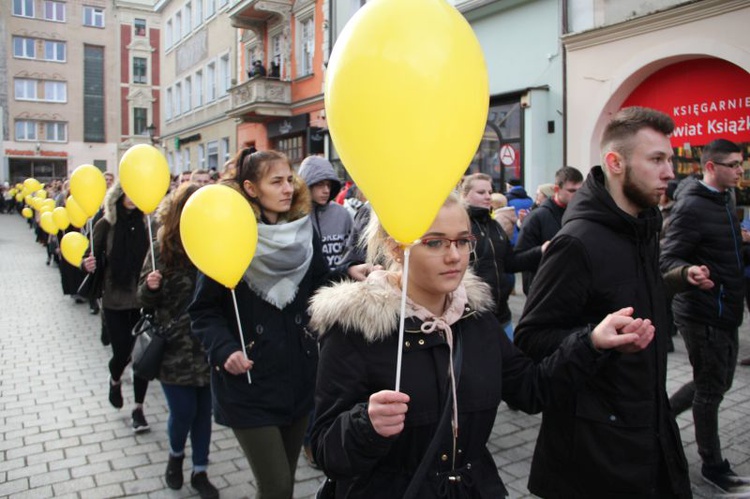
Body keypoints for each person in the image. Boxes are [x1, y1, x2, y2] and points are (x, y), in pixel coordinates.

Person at [309, 193, 655, 498]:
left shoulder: (475, 319)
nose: (455, 256)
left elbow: (531, 389)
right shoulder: (357, 328)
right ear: (395, 247)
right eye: (435, 242)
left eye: (462, 241)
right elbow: (325, 450)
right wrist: (365, 425)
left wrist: (591, 342)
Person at [513, 107, 706, 498]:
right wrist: (593, 340)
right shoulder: (577, 242)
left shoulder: (644, 227)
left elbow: (629, 295)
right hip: (593, 448)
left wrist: (679, 279)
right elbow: (530, 339)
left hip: (647, 424)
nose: (670, 171)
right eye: (656, 159)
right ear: (615, 163)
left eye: (669, 159)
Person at [189, 149, 330, 499]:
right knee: (277, 486)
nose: (288, 188)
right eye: (276, 181)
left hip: (298, 376)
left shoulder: (303, 230)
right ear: (251, 189)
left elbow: (321, 287)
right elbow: (203, 311)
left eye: (289, 179)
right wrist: (225, 350)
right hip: (249, 382)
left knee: (285, 478)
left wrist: (354, 275)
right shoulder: (229, 232)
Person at [660, 138, 750, 493]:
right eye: (733, 164)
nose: (740, 170)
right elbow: (668, 258)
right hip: (701, 313)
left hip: (726, 309)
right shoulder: (691, 206)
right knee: (711, 391)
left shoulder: (726, 199)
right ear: (711, 167)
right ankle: (713, 465)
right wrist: (688, 273)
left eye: (741, 163)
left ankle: (660, 417)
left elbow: (719, 246)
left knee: (714, 383)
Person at [137, 183, 219, 499]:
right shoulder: (162, 250)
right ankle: (175, 456)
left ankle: (200, 471)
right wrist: (151, 286)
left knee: (203, 414)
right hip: (174, 349)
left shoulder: (214, 246)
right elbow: (142, 297)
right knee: (183, 412)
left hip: (208, 347)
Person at [82, 181, 151, 433]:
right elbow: (88, 255)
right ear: (118, 195)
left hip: (144, 299)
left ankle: (138, 409)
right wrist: (86, 263)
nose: (132, 198)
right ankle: (114, 379)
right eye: (127, 193)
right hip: (115, 300)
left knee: (141, 357)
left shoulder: (148, 223)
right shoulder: (105, 224)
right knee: (121, 353)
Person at [460, 173, 542, 339]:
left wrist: (540, 251)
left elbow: (510, 263)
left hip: (502, 315)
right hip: (471, 318)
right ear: (465, 195)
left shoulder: (495, 226)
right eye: (481, 192)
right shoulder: (461, 226)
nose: (488, 197)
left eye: (490, 192)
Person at [515, 166, 583, 294]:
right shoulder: (537, 217)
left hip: (574, 290)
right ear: (556, 189)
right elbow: (517, 261)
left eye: (580, 191)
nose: (577, 195)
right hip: (544, 291)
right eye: (571, 191)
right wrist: (541, 250)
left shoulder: (582, 214)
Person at [299, 156, 353, 271]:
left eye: (329, 185)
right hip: (309, 286)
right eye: (320, 184)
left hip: (338, 284)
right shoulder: (296, 217)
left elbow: (352, 252)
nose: (326, 190)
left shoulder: (343, 214)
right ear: (306, 185)